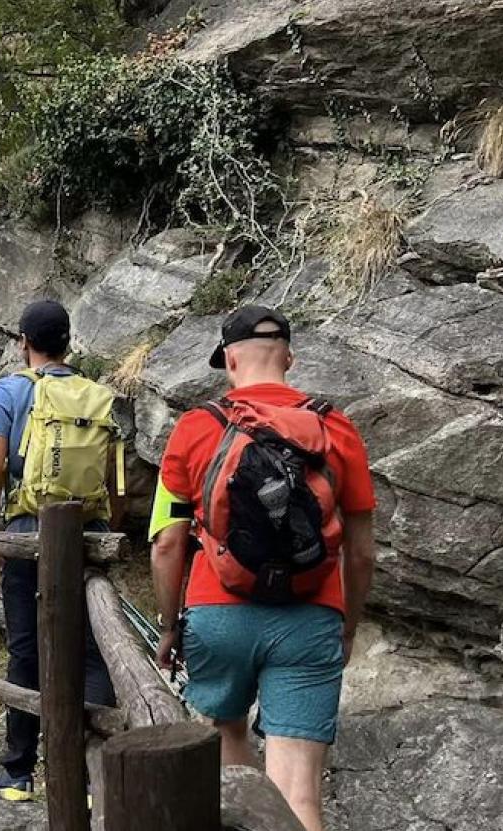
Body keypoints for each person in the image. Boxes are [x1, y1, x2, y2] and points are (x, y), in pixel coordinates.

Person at [148, 306, 377, 831]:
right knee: (299, 795)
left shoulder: (195, 427)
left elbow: (167, 543)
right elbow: (361, 554)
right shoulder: (336, 426)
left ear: (229, 360)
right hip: (310, 615)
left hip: (216, 612)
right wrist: (346, 628)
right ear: (289, 358)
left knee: (228, 743)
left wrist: (168, 626)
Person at [0, 299, 122, 803]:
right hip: (87, 530)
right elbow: (111, 479)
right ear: (68, 341)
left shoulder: (10, 390)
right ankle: (88, 774)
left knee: (25, 650)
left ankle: (18, 770)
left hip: (26, 532)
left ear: (24, 342)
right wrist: (104, 529)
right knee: (89, 652)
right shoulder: (95, 394)